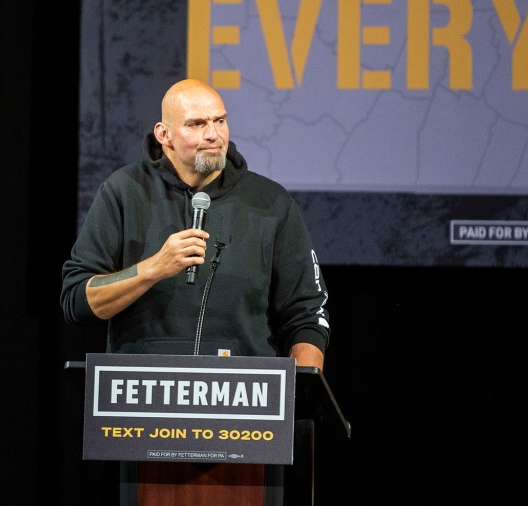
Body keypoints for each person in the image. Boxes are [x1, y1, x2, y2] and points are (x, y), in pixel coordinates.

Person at [60, 78, 330, 369]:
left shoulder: (271, 202)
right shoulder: (124, 191)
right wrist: (153, 268)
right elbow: (78, 300)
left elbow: (307, 314)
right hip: (144, 393)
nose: (213, 134)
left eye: (220, 121)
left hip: (244, 397)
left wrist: (297, 391)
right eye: (196, 124)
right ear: (164, 135)